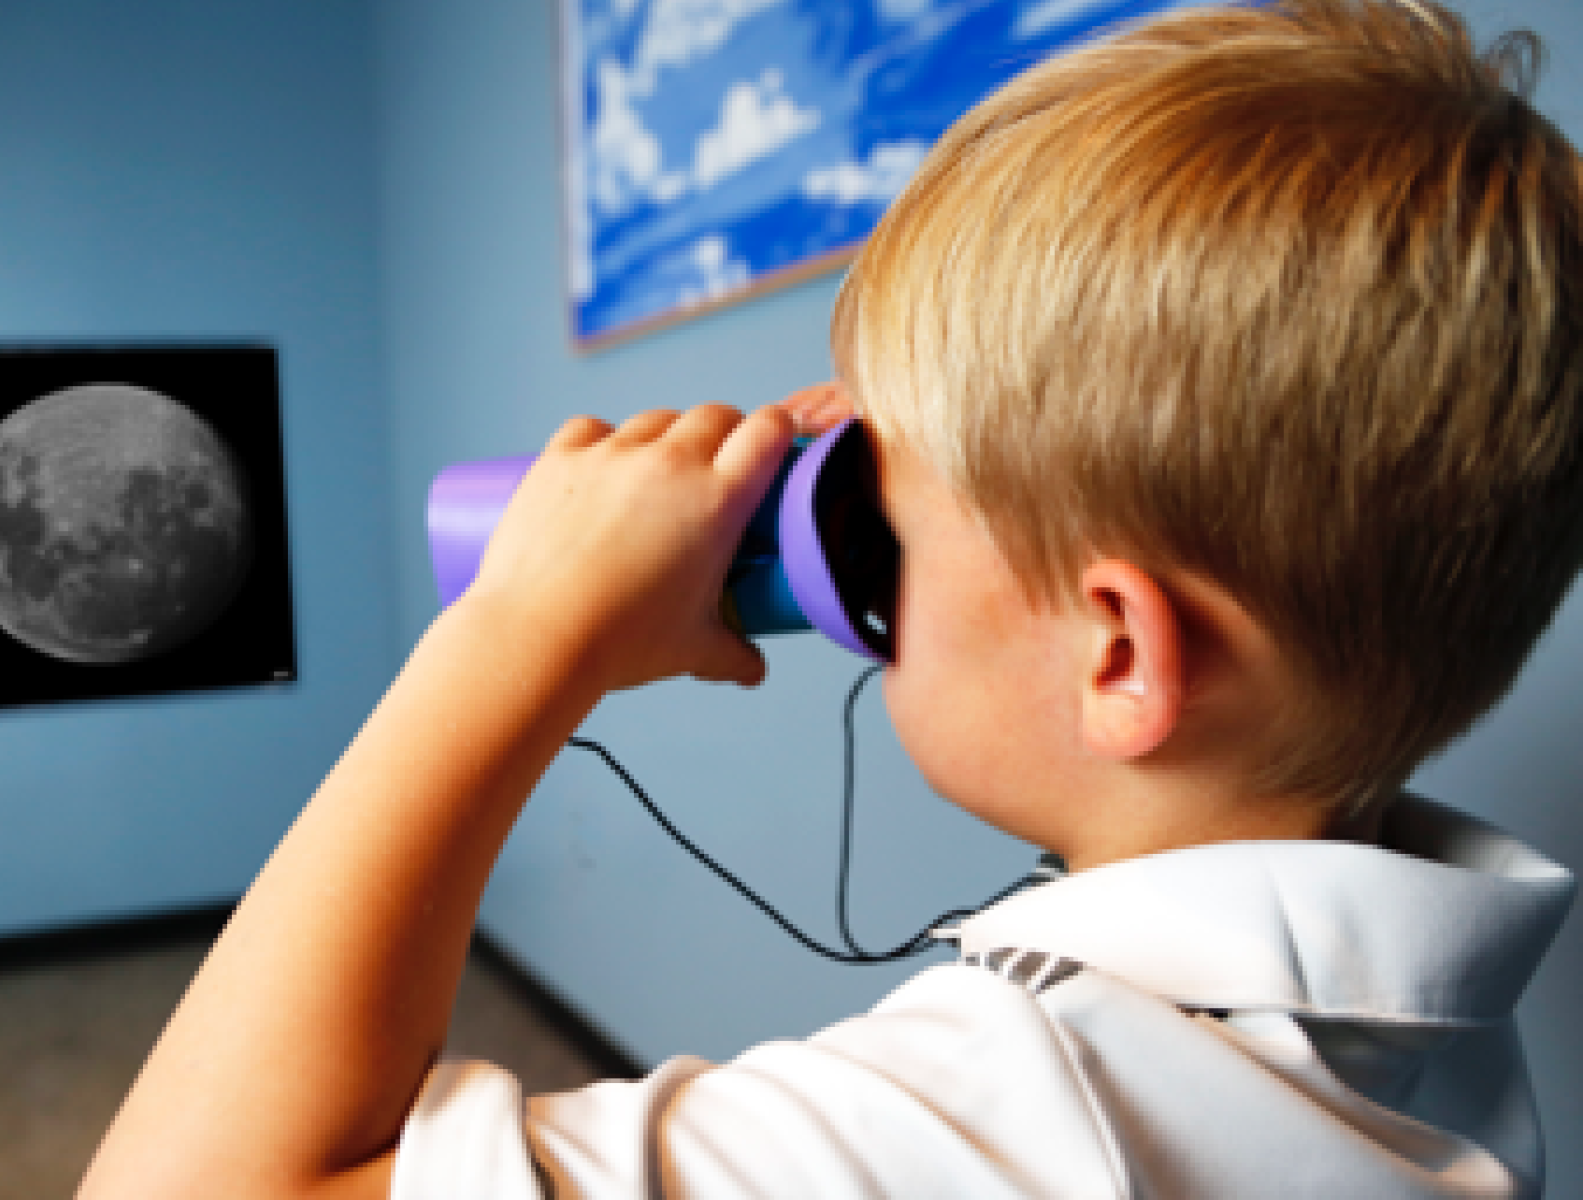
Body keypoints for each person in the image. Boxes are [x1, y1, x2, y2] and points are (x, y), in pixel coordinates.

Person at [79, 0, 1581, 1195]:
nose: (824, 458)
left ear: (1118, 651)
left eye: (883, 492)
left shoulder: (1004, 1127)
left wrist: (513, 642)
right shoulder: (1422, 1012)